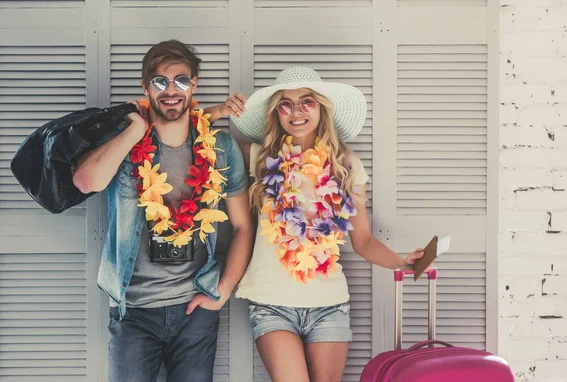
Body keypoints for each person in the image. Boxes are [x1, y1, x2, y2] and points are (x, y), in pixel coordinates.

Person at [222, 66, 425, 382]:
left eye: (307, 101)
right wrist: (221, 109)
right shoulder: (259, 158)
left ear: (322, 107)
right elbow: (208, 139)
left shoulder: (345, 165)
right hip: (272, 305)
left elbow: (364, 241)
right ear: (276, 113)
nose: (297, 112)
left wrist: (403, 262)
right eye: (285, 104)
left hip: (329, 306)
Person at [72, 39, 254, 381]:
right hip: (134, 311)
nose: (172, 90)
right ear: (146, 87)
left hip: (195, 308)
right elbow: (85, 181)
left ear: (194, 84)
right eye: (160, 81)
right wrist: (136, 130)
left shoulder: (223, 148)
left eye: (182, 80)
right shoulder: (124, 145)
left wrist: (221, 293)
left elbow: (243, 226)